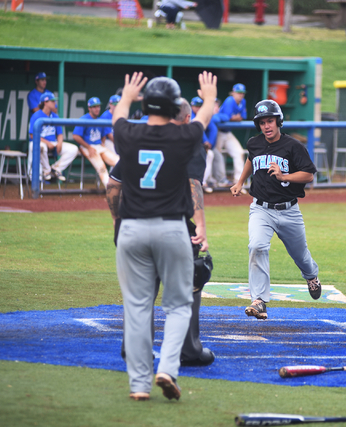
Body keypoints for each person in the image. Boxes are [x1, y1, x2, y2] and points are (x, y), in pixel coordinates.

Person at [110, 70, 217, 401]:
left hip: (131, 228)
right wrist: (209, 94)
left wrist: (129, 94)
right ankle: (168, 368)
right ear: (174, 108)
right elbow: (203, 115)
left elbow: (119, 115)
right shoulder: (183, 137)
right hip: (171, 227)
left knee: (138, 308)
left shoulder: (127, 133)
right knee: (178, 305)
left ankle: (139, 385)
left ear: (146, 104)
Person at [230, 99, 322, 320]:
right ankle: (259, 300)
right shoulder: (254, 143)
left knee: (301, 255)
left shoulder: (293, 146)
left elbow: (309, 174)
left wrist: (284, 176)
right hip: (261, 209)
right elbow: (251, 159)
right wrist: (240, 181)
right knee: (257, 245)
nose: (266, 126)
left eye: (270, 121)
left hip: (289, 211)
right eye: (262, 122)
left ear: (278, 121)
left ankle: (311, 276)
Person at [28, 92, 79, 182]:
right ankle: (47, 171)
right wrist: (47, 143)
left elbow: (59, 133)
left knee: (73, 149)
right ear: (45, 103)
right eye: (52, 101)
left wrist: (59, 143)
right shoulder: (36, 115)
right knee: (41, 147)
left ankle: (56, 168)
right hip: (39, 142)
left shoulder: (55, 116)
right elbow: (32, 135)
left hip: (53, 142)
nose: (55, 103)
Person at [72, 97, 119, 187]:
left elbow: (104, 134)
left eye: (98, 106)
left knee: (118, 161)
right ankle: (110, 189)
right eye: (94, 107)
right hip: (87, 147)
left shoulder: (100, 120)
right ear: (89, 108)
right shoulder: (84, 119)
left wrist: (103, 143)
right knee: (102, 168)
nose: (97, 109)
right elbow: (75, 136)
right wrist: (88, 147)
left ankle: (122, 187)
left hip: (98, 146)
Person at [214, 83, 247, 186]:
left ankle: (238, 181)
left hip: (227, 133)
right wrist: (234, 118)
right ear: (233, 93)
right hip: (218, 132)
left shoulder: (243, 102)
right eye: (238, 93)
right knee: (215, 156)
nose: (240, 95)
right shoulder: (229, 100)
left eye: (242, 93)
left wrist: (235, 117)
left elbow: (243, 117)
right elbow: (229, 118)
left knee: (239, 152)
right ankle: (212, 181)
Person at [190, 96, 216, 193]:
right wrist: (205, 141)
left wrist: (210, 143)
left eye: (200, 106)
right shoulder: (190, 115)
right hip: (190, 146)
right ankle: (198, 183)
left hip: (199, 146)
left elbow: (213, 128)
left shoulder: (204, 116)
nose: (198, 108)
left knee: (210, 155)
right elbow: (198, 128)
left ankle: (203, 182)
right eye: (196, 106)